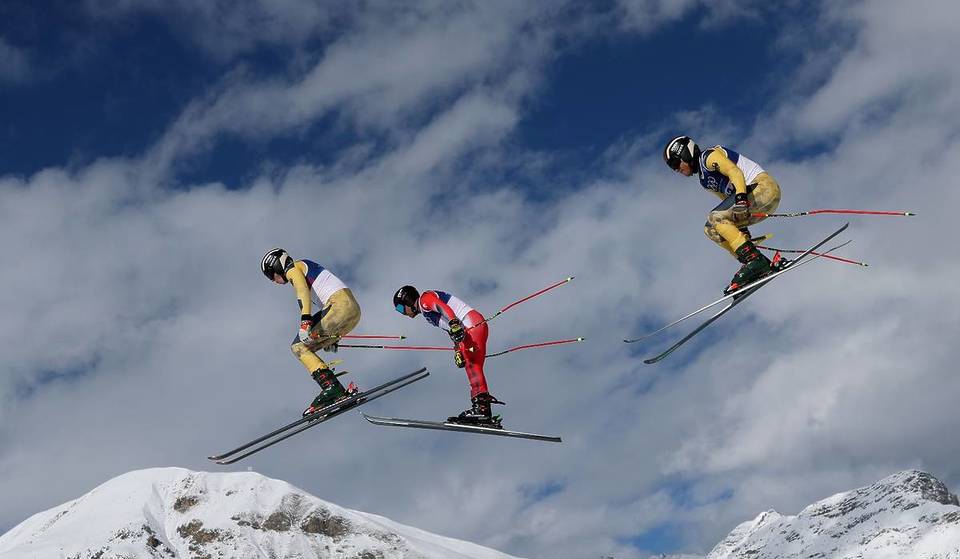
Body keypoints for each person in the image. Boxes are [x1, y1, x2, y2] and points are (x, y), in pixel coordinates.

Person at [663, 135, 785, 293]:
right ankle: (755, 264)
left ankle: (754, 260)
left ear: (685, 153)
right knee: (711, 229)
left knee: (715, 217)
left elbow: (734, 172)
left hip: (762, 188)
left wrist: (740, 198)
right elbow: (727, 201)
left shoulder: (708, 156)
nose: (676, 169)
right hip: (749, 201)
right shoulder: (704, 180)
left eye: (675, 163)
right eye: (672, 167)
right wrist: (739, 229)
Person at [261, 248, 362, 416]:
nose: (273, 280)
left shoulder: (293, 268)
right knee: (307, 344)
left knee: (298, 347)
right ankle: (338, 393)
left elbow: (302, 290)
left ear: (277, 266)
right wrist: (330, 340)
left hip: (338, 305)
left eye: (271, 275)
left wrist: (305, 321)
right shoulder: (306, 266)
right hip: (352, 311)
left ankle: (331, 388)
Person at [392, 285, 503, 427]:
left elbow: (441, 307)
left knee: (472, 365)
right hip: (470, 328)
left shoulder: (425, 300)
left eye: (400, 309)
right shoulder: (426, 313)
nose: (402, 314)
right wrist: (457, 350)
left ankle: (482, 410)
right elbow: (450, 330)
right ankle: (482, 410)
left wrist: (454, 323)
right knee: (472, 367)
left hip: (471, 324)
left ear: (407, 301)